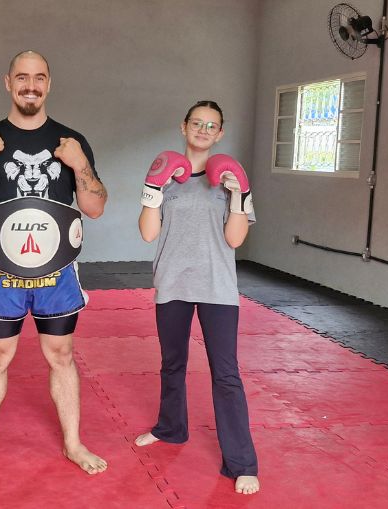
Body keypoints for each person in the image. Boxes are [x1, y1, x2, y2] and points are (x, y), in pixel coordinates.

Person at [0, 50, 108, 477]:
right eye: (22, 77)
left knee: (61, 354)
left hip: (58, 270)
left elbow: (94, 207)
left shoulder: (71, 141)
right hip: (0, 271)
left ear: (48, 84)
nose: (30, 86)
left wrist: (80, 163)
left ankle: (73, 443)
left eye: (38, 77)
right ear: (8, 83)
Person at [135, 100, 260, 495]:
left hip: (217, 286)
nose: (203, 130)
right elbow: (148, 233)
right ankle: (171, 428)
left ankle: (241, 463)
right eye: (197, 123)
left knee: (226, 373)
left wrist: (239, 196)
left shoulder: (231, 178)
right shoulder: (165, 175)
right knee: (172, 364)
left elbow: (235, 239)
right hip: (172, 282)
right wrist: (153, 190)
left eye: (211, 125)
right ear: (183, 127)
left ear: (220, 133)